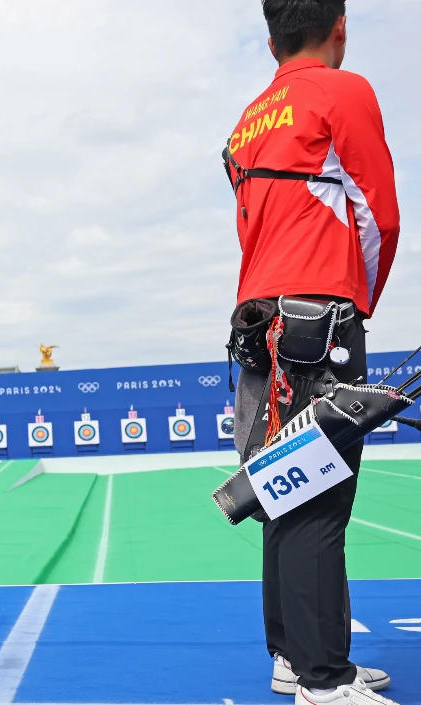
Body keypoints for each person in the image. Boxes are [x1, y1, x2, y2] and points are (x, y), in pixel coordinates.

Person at [225, 2, 400, 705]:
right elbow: (377, 216)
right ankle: (323, 681)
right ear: (341, 26)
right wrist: (355, 303)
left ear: (270, 41)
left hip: (257, 319)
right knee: (318, 497)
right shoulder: (344, 90)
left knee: (280, 486)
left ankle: (297, 659)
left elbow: (256, 229)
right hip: (317, 319)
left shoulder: (244, 122)